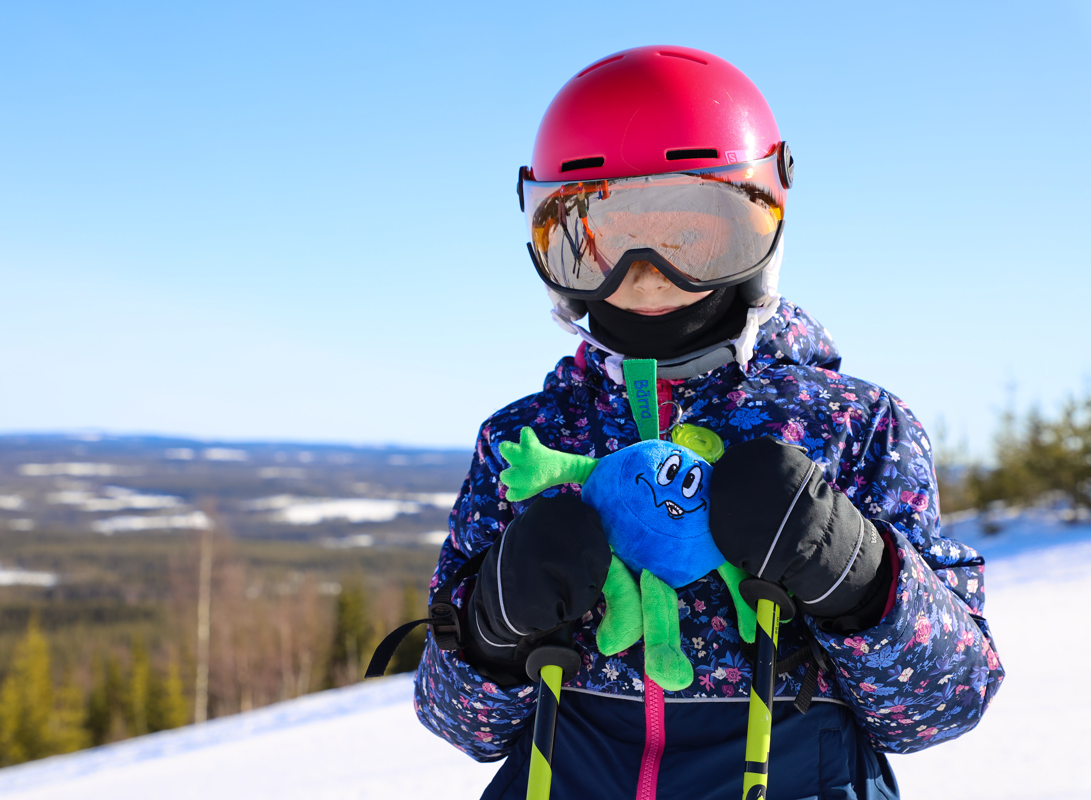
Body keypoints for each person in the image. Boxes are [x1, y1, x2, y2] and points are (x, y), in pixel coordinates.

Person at [413, 46, 1003, 799]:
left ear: (760, 224)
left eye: (694, 232)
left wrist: (856, 574)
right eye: (604, 238)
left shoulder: (856, 426)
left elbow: (942, 707)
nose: (649, 272)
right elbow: (457, 723)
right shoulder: (526, 442)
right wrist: (492, 622)